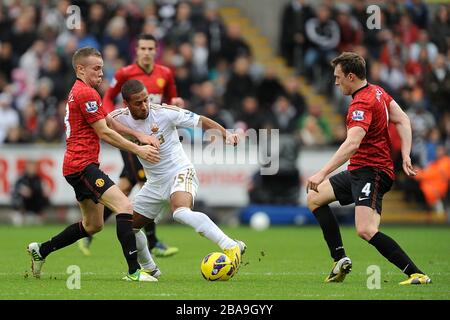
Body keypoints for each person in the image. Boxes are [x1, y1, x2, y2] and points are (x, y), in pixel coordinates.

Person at [27, 47, 162, 282]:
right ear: (80, 69)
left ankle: (42, 250)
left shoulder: (86, 91)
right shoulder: (85, 93)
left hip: (76, 166)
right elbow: (104, 133)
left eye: (102, 68)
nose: (101, 73)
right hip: (82, 166)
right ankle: (134, 271)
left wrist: (137, 135)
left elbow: (109, 122)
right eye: (96, 68)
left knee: (93, 225)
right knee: (124, 206)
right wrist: (138, 148)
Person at [306, 52, 431, 285]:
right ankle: (340, 260)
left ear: (351, 76)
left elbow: (352, 143)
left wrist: (322, 172)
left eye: (338, 77)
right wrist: (405, 154)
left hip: (372, 171)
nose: (336, 82)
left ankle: (417, 274)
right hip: (360, 170)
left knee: (366, 230)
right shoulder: (378, 91)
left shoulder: (361, 103)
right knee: (314, 197)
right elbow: (403, 119)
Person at [110, 79, 246, 278]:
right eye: (138, 103)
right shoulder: (119, 117)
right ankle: (150, 268)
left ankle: (230, 245)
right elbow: (104, 123)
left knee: (180, 212)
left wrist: (226, 134)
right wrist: (136, 135)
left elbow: (201, 120)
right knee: (128, 227)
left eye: (146, 99)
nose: (144, 105)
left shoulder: (164, 112)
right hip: (155, 182)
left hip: (180, 171)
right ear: (126, 104)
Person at [78, 34, 181, 257]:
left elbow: (172, 102)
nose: (146, 52)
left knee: (125, 186)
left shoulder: (165, 73)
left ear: (156, 51)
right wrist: (106, 119)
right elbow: (107, 97)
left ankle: (88, 232)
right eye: (142, 48)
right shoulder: (125, 73)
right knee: (147, 182)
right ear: (137, 51)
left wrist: (178, 104)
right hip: (133, 139)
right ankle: (153, 242)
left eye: (150, 48)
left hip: (153, 137)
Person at [11, 160, 49, 225]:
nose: (32, 169)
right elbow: (15, 192)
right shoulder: (21, 179)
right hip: (23, 206)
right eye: (30, 167)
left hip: (34, 206)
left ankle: (38, 215)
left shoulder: (39, 179)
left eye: (34, 167)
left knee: (43, 197)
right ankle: (20, 215)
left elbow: (42, 192)